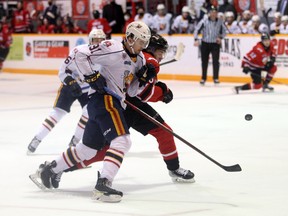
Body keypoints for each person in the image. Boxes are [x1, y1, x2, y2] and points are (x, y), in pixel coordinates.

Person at [44, 32, 195, 189]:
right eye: (160, 52)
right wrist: (162, 92)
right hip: (122, 105)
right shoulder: (147, 60)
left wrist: (156, 86)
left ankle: (55, 168)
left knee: (100, 149)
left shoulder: (141, 58)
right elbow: (143, 94)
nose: (162, 56)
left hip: (126, 103)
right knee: (107, 148)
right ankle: (61, 170)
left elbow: (136, 88)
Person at [30, 21, 153, 203]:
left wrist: (142, 80)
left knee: (87, 150)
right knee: (122, 141)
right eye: (141, 41)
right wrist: (91, 76)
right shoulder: (113, 48)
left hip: (107, 103)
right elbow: (80, 54)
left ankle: (50, 170)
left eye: (145, 42)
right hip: (104, 100)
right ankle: (103, 184)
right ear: (130, 37)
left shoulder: (140, 59)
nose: (144, 46)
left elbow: (132, 92)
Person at [27, 29, 106, 154]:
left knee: (88, 112)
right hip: (70, 85)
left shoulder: (106, 56)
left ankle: (74, 142)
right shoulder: (77, 51)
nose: (98, 44)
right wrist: (71, 82)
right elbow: (62, 71)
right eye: (95, 40)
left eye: (101, 41)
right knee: (57, 113)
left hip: (87, 89)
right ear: (90, 41)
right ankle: (37, 138)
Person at [194, 6, 226, 85]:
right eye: (212, 12)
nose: (213, 14)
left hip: (215, 44)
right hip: (205, 43)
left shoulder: (220, 21)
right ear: (209, 13)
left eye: (215, 12)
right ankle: (203, 78)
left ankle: (216, 78)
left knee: (216, 61)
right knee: (204, 61)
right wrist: (196, 39)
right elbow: (196, 30)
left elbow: (225, 31)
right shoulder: (204, 21)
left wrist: (220, 37)